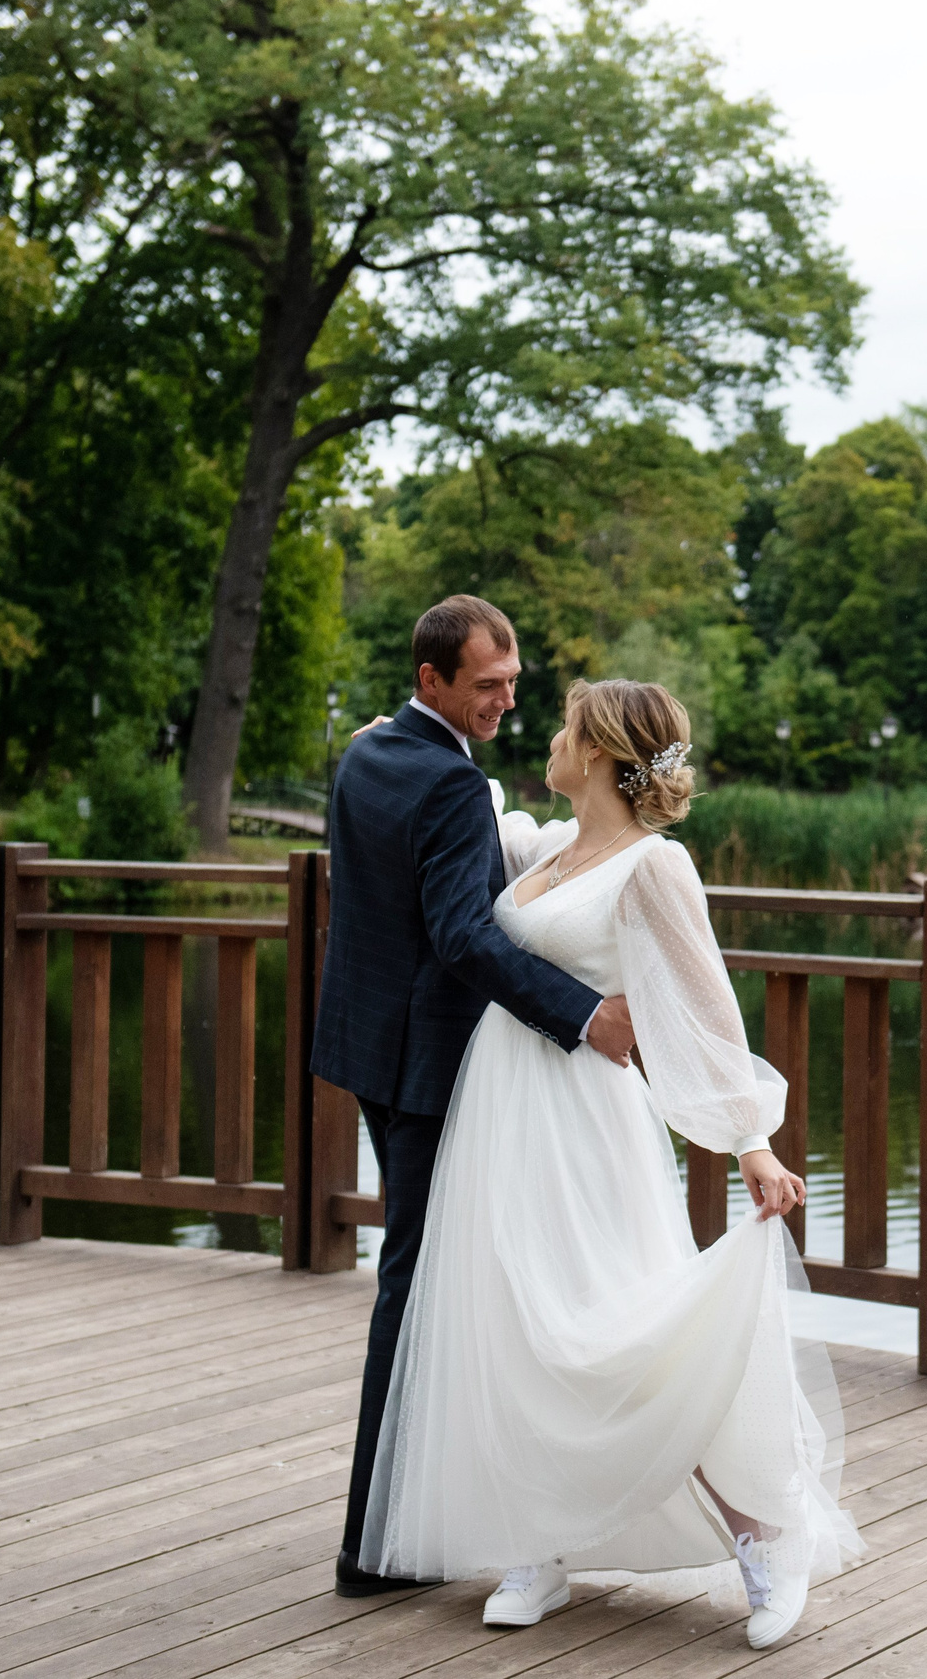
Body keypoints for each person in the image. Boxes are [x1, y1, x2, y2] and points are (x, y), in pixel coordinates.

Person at [355, 676, 863, 1650]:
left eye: (561, 726)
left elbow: (703, 1010)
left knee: (625, 1332)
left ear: (593, 750)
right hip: (496, 1113)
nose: (545, 736)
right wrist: (400, 743)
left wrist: (749, 1139)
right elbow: (477, 812)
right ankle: (538, 1546)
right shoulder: (546, 849)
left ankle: (767, 1541)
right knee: (513, 1324)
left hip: (585, 1122)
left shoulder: (653, 868)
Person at [313, 595, 640, 1600]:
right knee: (415, 1290)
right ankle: (373, 1547)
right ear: (432, 682)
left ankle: (417, 1523)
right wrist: (583, 1015)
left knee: (423, 1283)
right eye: (486, 682)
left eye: (511, 678)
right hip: (425, 1066)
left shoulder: (367, 754)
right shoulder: (453, 787)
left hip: (367, 1045)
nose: (506, 695)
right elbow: (462, 935)